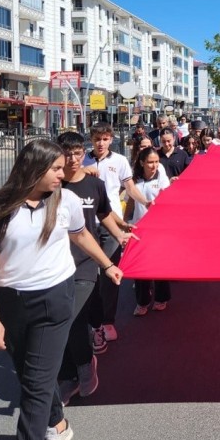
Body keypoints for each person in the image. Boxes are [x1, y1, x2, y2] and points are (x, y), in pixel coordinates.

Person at [0, 138, 124, 440]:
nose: (63, 172)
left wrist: (108, 265)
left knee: (37, 388)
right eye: (55, 168)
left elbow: (81, 234)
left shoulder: (65, 201)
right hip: (11, 302)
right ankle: (58, 425)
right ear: (35, 167)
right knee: (29, 375)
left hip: (55, 299)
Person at [55, 132, 135, 406]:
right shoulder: (52, 186)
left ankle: (84, 364)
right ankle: (68, 375)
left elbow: (104, 214)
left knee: (73, 318)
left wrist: (119, 235)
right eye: (68, 153)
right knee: (59, 323)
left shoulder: (94, 185)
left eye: (79, 153)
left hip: (85, 263)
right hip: (55, 265)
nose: (74, 159)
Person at [81, 123, 148, 353]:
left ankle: (108, 321)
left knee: (111, 276)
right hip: (86, 225)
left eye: (105, 139)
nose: (101, 143)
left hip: (112, 225)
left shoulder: (119, 161)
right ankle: (93, 322)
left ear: (111, 140)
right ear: (91, 139)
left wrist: (146, 202)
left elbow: (129, 187)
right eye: (97, 138)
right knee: (89, 277)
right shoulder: (82, 160)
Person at [129, 146, 172, 316]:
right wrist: (125, 221)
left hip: (159, 228)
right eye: (150, 163)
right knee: (140, 266)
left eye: (156, 162)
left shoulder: (162, 178)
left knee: (159, 264)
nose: (154, 166)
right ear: (142, 163)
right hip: (139, 227)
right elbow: (131, 201)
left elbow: (167, 200)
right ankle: (142, 301)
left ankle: (161, 298)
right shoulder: (135, 180)